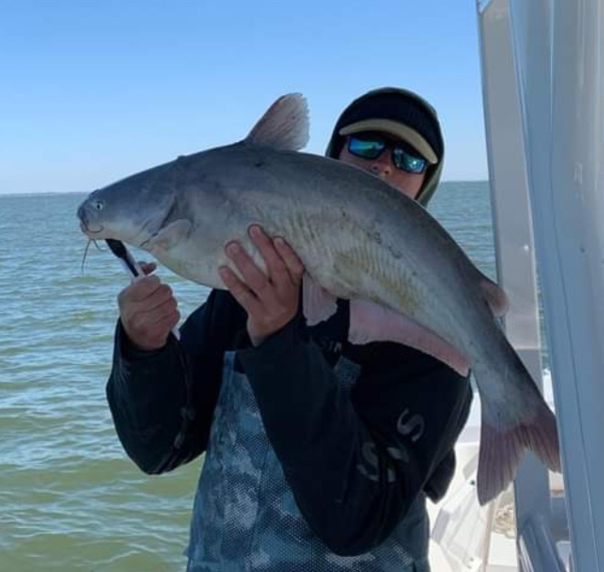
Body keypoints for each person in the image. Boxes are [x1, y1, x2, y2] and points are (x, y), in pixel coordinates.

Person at [106, 87, 473, 571]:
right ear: (331, 159)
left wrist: (280, 343)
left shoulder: (436, 332)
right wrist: (145, 351)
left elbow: (357, 520)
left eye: (408, 159)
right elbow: (159, 449)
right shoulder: (243, 291)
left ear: (425, 186)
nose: (383, 165)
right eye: (365, 145)